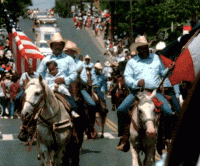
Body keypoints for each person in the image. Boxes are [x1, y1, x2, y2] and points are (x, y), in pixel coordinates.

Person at [116, 40, 175, 151]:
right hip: (137, 92)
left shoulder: (156, 58)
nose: (145, 50)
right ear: (137, 49)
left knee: (168, 112)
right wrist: (136, 83)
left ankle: (166, 138)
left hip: (154, 92)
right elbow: (127, 78)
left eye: (146, 47)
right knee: (121, 109)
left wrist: (169, 69)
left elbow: (162, 74)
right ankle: (123, 137)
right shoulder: (132, 62)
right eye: (142, 48)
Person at [37, 32, 78, 114]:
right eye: (55, 45)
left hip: (63, 88)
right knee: (34, 108)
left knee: (74, 107)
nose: (57, 47)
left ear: (63, 46)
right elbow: (39, 74)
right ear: (52, 46)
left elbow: (74, 74)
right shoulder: (46, 59)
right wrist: (44, 82)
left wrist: (64, 80)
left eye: (59, 45)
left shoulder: (69, 59)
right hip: (48, 89)